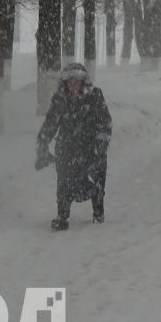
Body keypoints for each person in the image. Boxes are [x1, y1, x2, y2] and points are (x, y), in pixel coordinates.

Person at [36, 62, 112, 230]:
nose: (73, 85)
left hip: (91, 147)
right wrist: (42, 142)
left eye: (76, 81)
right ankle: (63, 217)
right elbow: (51, 123)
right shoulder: (60, 99)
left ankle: (98, 211)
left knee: (96, 180)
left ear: (83, 82)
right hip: (67, 147)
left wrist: (100, 143)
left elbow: (105, 122)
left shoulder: (95, 96)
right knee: (64, 183)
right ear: (64, 83)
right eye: (70, 81)